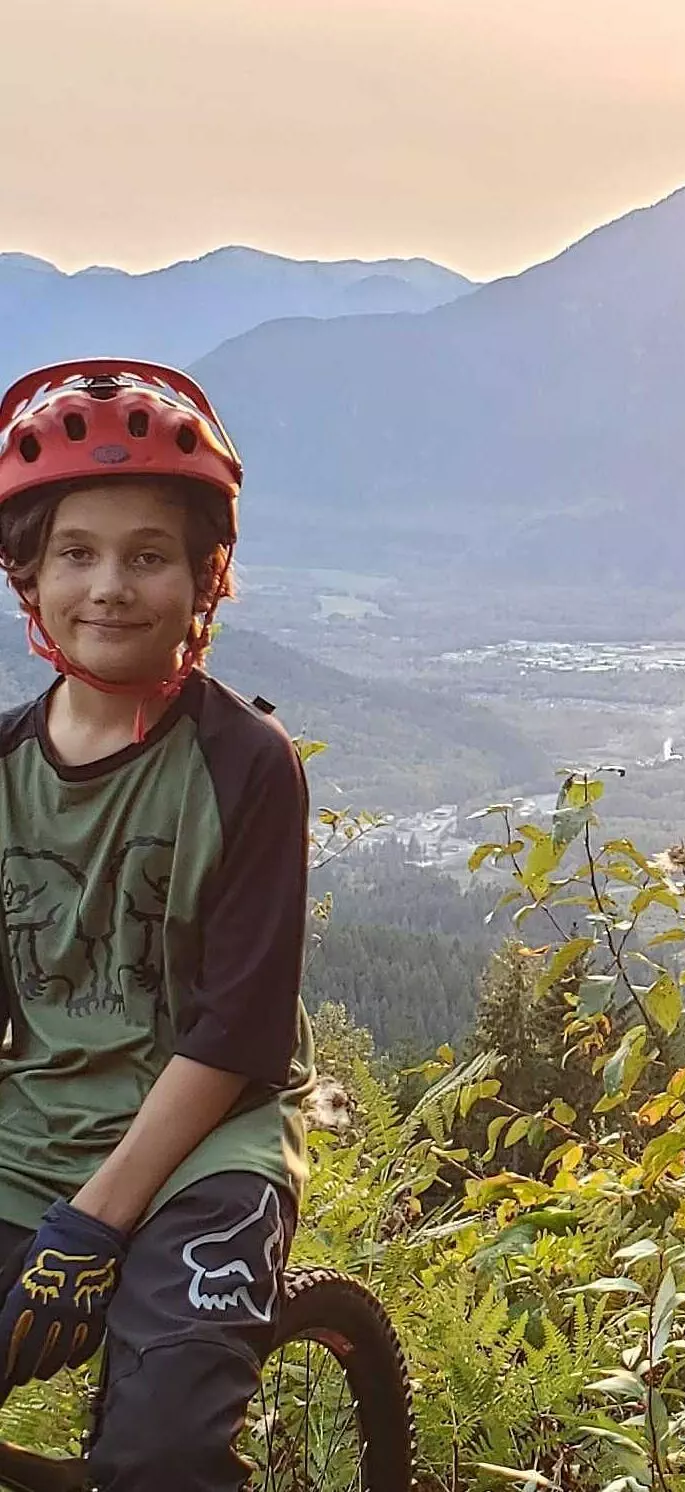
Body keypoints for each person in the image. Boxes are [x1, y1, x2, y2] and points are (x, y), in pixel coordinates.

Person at [0, 360, 314, 1491]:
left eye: (149, 554)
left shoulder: (244, 765)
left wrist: (92, 1225)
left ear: (203, 576)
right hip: (28, 1135)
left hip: (203, 1150)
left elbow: (238, 1033)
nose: (111, 586)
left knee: (163, 1450)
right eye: (76, 552)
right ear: (27, 574)